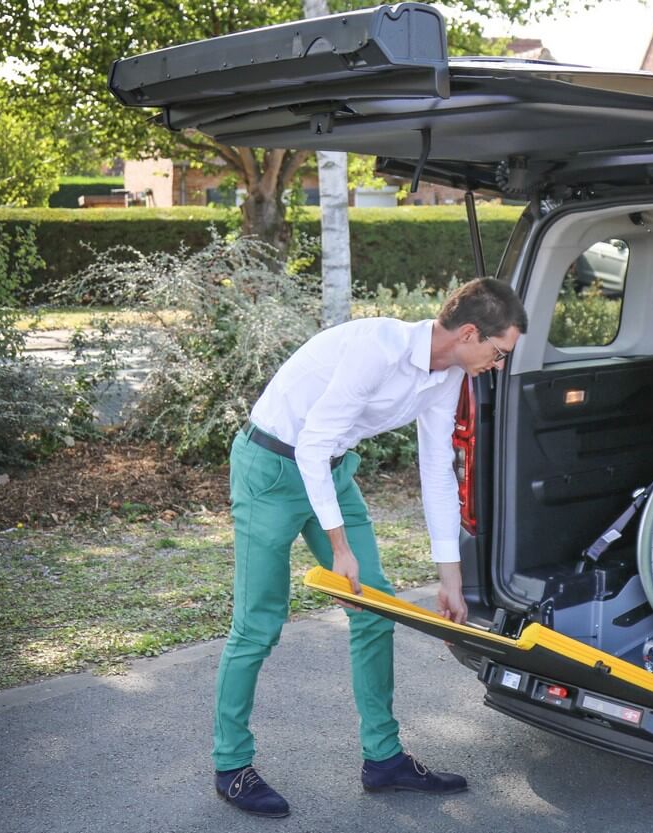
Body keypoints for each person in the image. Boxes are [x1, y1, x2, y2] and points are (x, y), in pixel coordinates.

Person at [212, 278, 527, 817]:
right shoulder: (374, 350)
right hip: (271, 468)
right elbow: (309, 442)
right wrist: (339, 548)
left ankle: (383, 760)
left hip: (330, 470)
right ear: (470, 333)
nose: (497, 365)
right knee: (258, 623)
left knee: (375, 607)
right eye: (497, 353)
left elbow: (436, 469)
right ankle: (231, 765)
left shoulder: (449, 373)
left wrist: (449, 576)